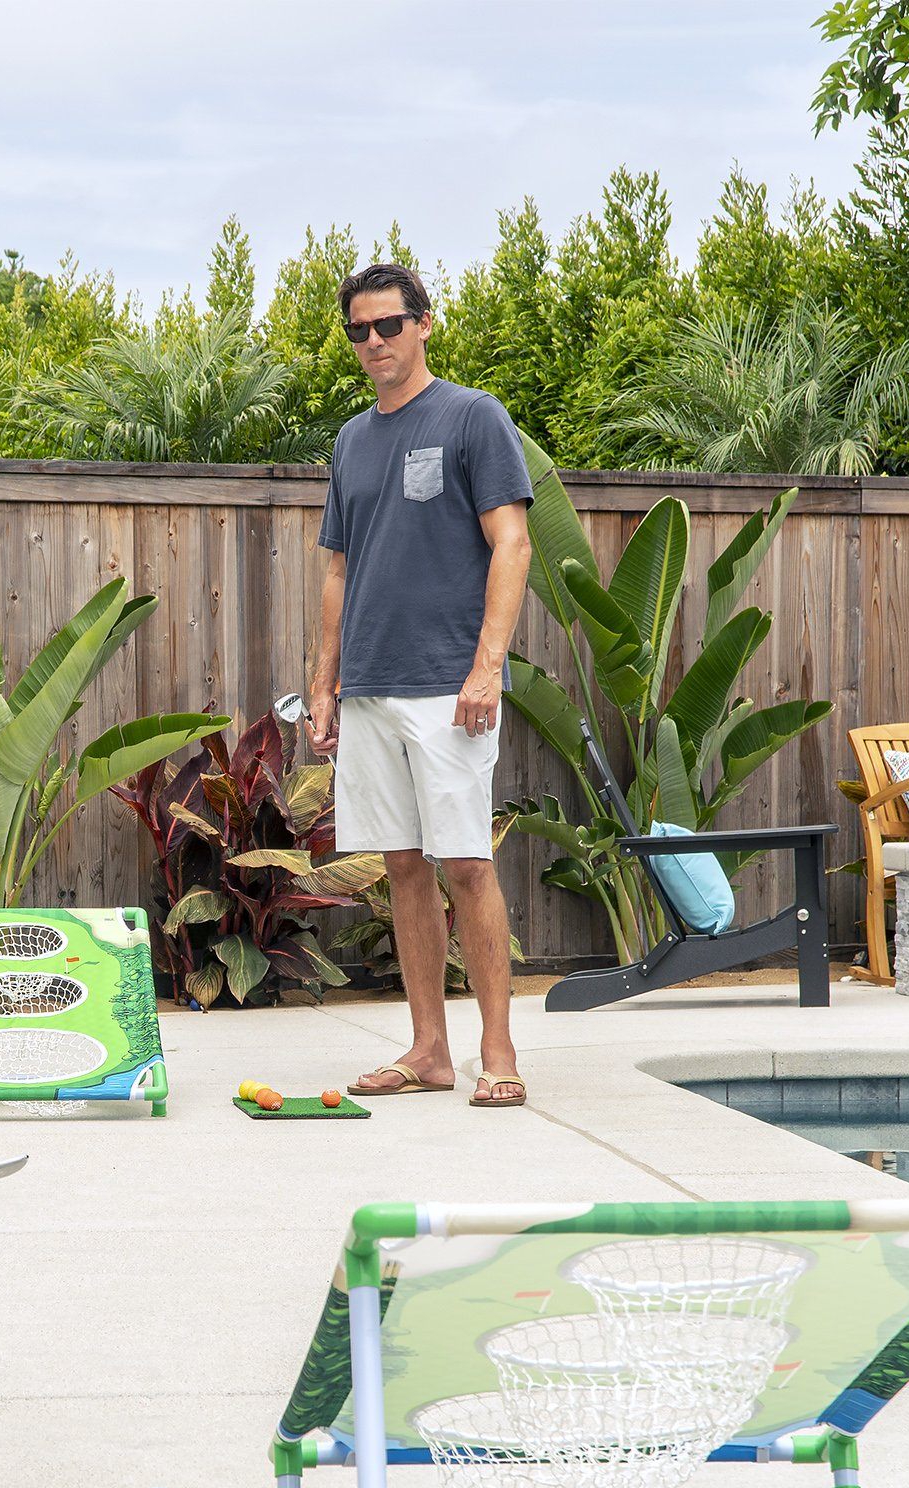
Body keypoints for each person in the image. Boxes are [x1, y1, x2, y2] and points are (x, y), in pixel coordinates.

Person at [306, 263, 534, 1108]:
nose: (374, 344)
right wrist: (324, 681)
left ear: (425, 323)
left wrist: (487, 666)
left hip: (449, 685)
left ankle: (499, 1053)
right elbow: (338, 569)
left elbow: (511, 544)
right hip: (369, 685)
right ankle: (429, 1049)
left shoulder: (473, 417)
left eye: (388, 326)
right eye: (358, 331)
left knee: (466, 863)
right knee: (401, 865)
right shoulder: (351, 441)